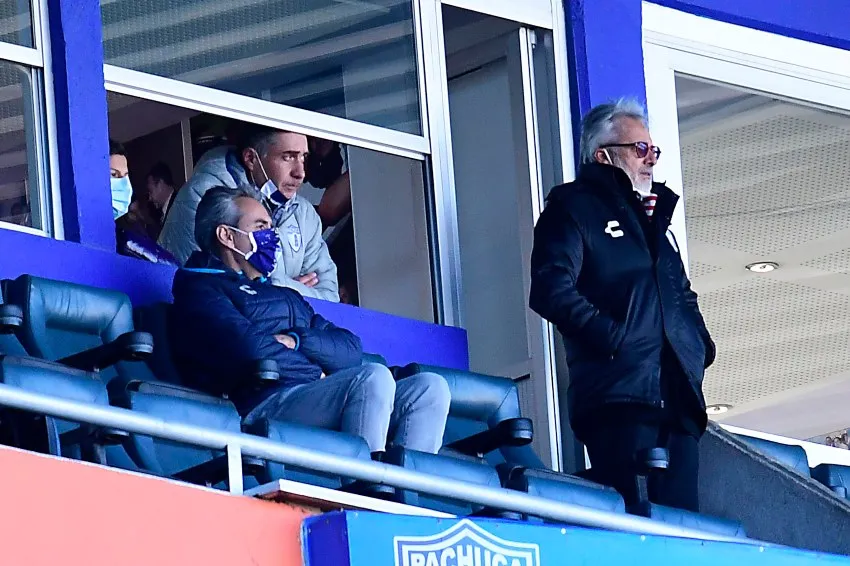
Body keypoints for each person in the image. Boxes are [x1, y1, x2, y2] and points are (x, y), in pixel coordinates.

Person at [529, 99, 715, 513]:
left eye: (653, 150)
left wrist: (699, 347)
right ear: (604, 155)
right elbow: (550, 288)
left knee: (683, 531)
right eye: (639, 149)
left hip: (678, 401)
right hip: (618, 399)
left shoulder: (655, 223)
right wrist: (616, 340)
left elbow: (683, 295)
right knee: (634, 521)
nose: (651, 160)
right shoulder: (573, 207)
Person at [169, 185, 451, 454]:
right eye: (260, 227)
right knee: (372, 378)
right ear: (226, 236)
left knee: (429, 389)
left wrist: (297, 341)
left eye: (271, 227)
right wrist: (317, 372)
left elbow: (350, 349)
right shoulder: (199, 288)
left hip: (312, 394)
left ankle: (404, 485)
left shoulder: (285, 295)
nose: (272, 236)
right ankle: (367, 482)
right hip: (263, 404)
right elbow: (250, 350)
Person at [158, 124, 339, 302]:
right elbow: (206, 289)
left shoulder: (304, 214)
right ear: (251, 159)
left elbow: (329, 299)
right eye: (288, 157)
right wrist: (288, 291)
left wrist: (278, 289)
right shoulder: (204, 199)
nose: (300, 173)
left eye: (303, 158)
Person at [110, 140, 178, 265]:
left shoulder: (176, 208)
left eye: (125, 176)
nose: (123, 184)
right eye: (113, 174)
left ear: (160, 183)